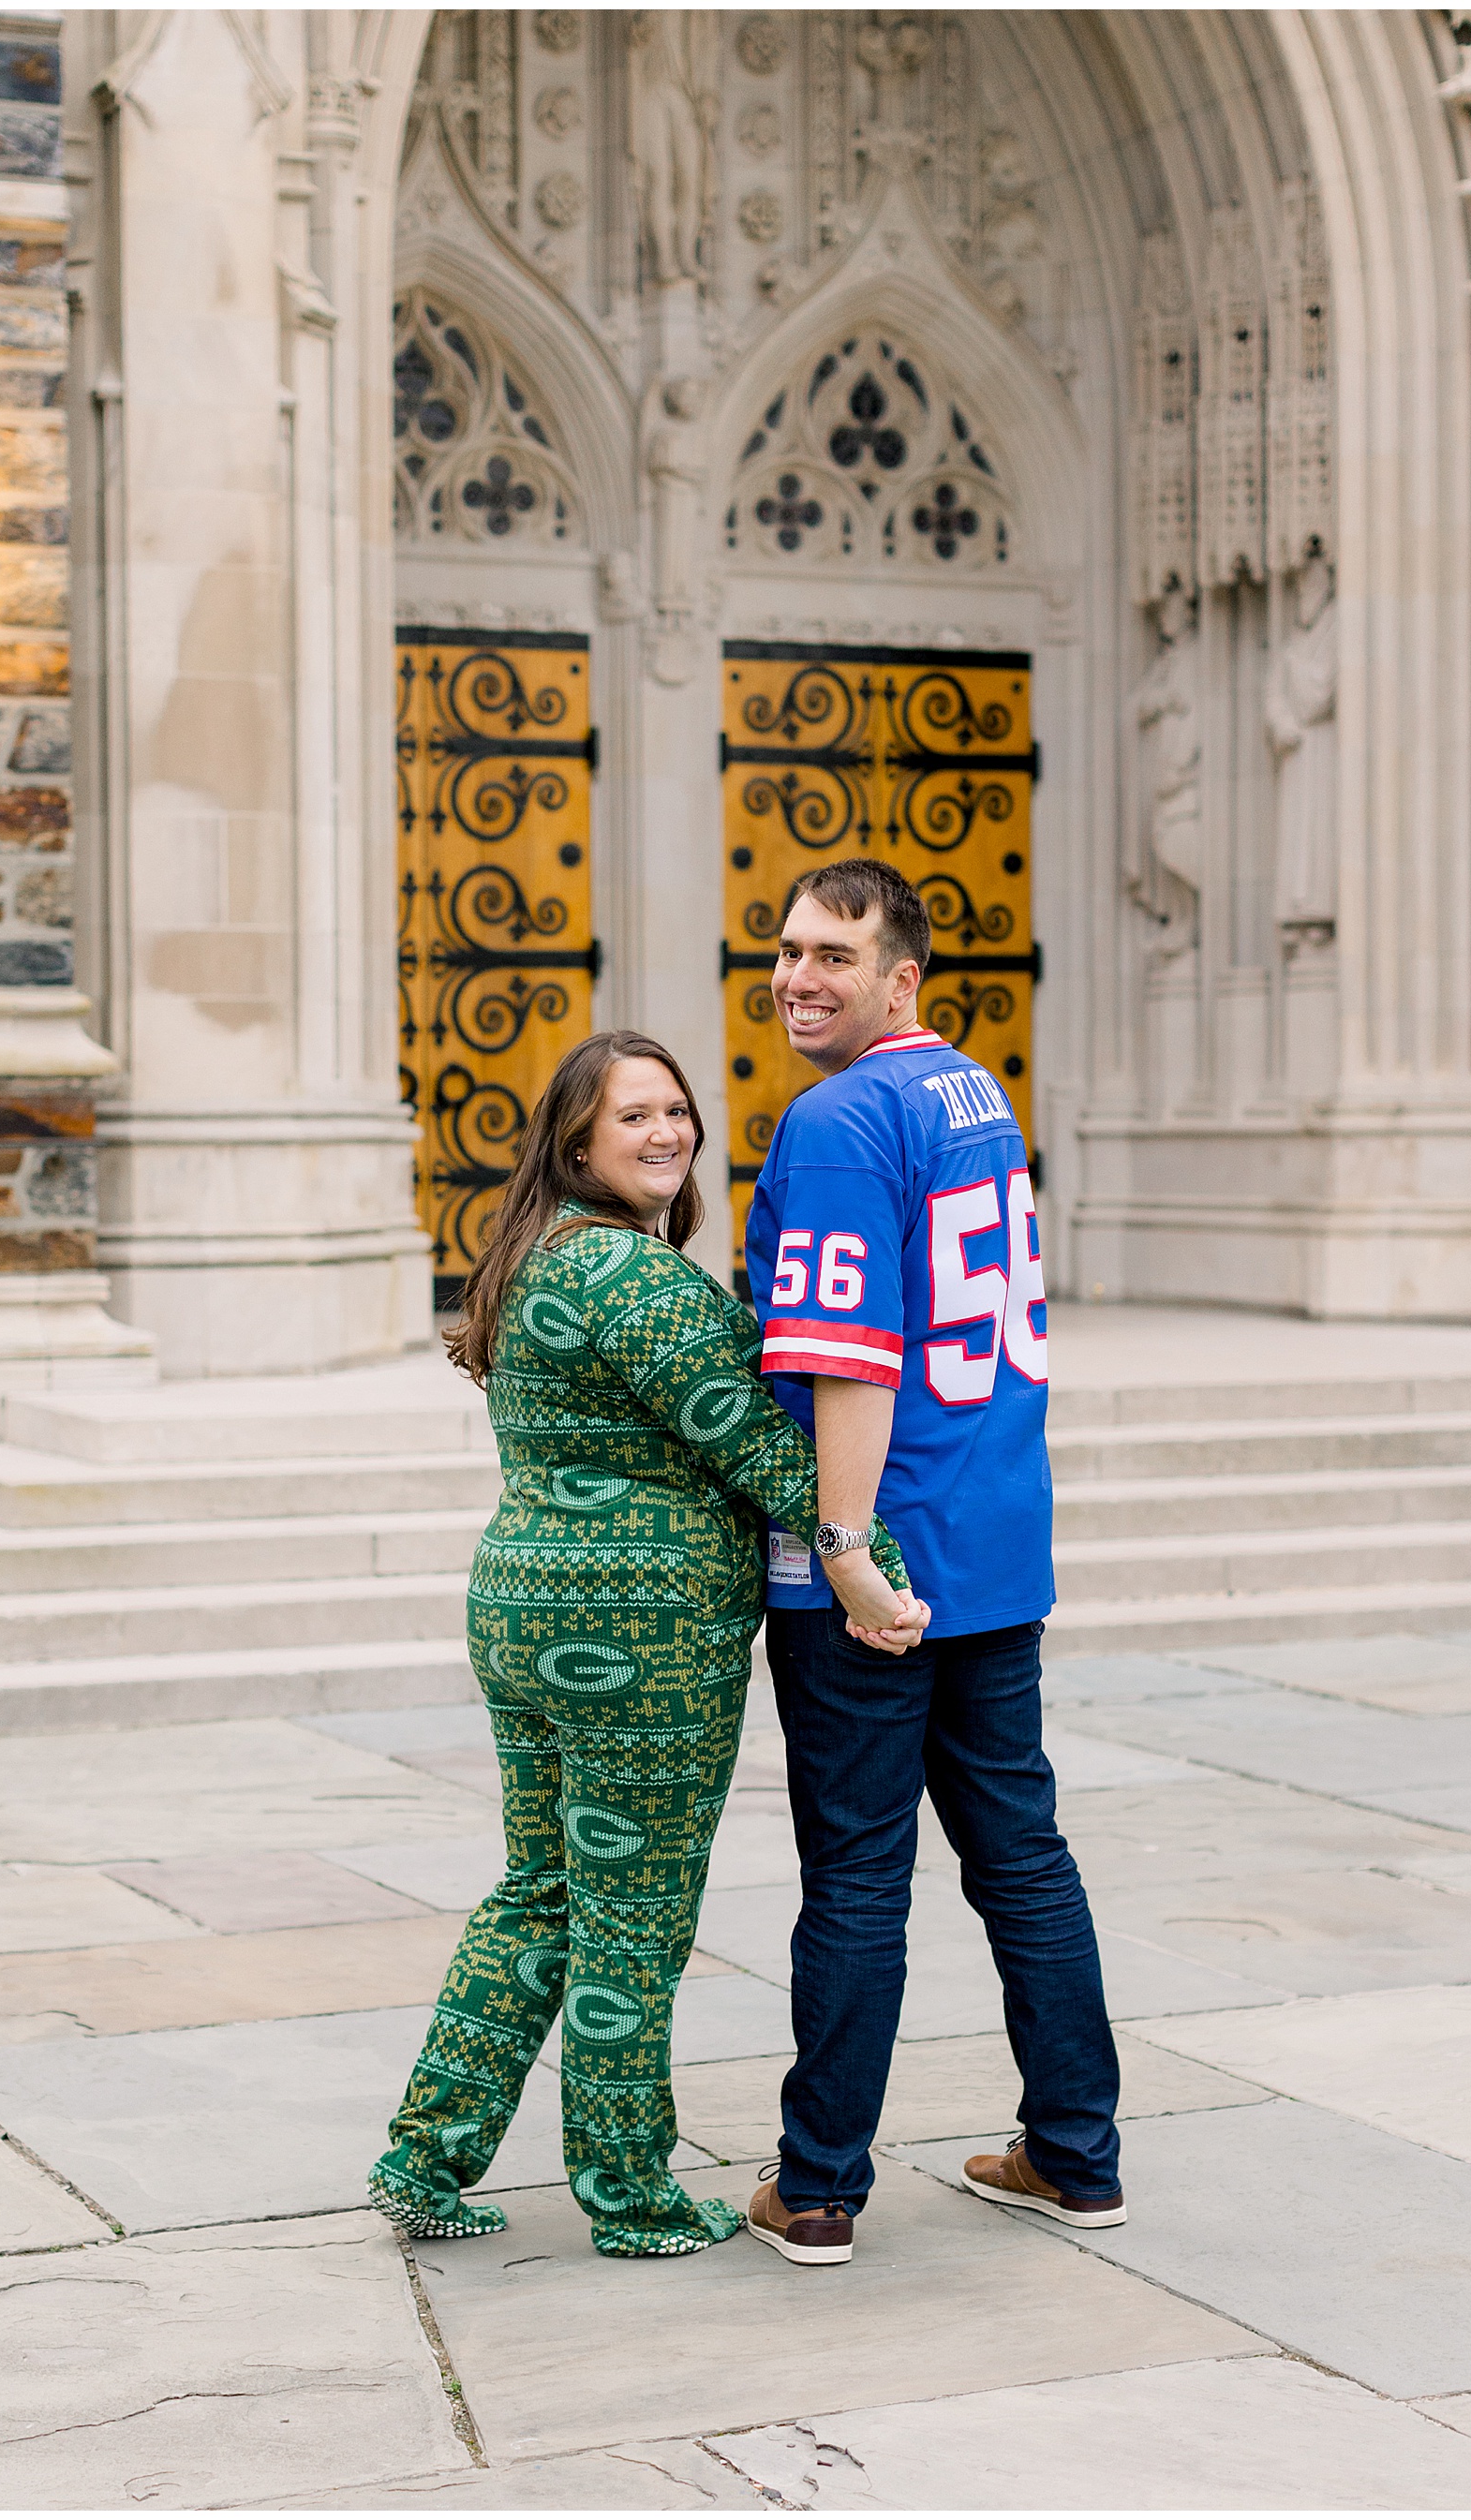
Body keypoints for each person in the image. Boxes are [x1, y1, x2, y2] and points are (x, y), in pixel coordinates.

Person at [370, 1029, 926, 2261]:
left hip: (523, 1601)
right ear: (578, 1140)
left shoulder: (532, 1259)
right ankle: (628, 2194)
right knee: (633, 1909)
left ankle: (425, 2152)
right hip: (641, 1633)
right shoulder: (639, 1280)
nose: (667, 1131)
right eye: (636, 1115)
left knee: (543, 1886)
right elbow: (770, 1449)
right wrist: (871, 1562)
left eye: (676, 1109)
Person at [742, 861, 1124, 2269]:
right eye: (787, 950)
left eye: (835, 955)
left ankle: (819, 2186)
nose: (800, 977)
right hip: (994, 1547)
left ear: (902, 976)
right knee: (1021, 1852)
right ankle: (1079, 2155)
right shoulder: (975, 1089)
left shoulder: (841, 1115)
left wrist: (839, 1548)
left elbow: (850, 1363)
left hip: (877, 1564)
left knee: (855, 1873)